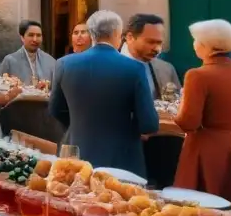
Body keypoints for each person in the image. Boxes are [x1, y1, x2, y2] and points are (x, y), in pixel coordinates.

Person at [49, 11, 159, 175]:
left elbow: (55, 109)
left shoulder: (64, 64)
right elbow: (149, 124)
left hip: (77, 151)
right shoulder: (134, 68)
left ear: (91, 34)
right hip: (122, 158)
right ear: (117, 34)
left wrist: (80, 122)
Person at [172, 19, 231, 201]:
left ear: (206, 45)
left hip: (207, 148)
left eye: (196, 40)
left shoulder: (197, 75)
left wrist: (177, 110)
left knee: (202, 207)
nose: (194, 45)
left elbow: (188, 122)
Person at [122, 13, 182, 187]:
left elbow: (176, 105)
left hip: (165, 153)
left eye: (159, 43)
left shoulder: (166, 68)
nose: (157, 48)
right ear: (130, 37)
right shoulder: (111, 67)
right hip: (128, 152)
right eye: (151, 42)